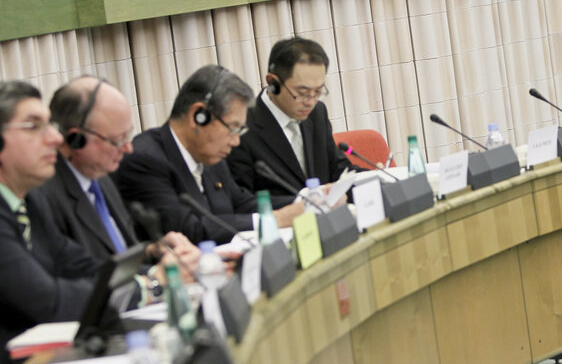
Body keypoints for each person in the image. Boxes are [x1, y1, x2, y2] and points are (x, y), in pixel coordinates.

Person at [115, 65, 304, 245]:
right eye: (232, 128)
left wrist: (306, 199)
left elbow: (242, 203)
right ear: (198, 116)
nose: (236, 141)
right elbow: (189, 230)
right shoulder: (145, 160)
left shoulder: (209, 154)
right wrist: (272, 221)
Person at [0, 80, 102, 364]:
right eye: (34, 126)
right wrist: (137, 288)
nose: (56, 138)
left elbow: (82, 266)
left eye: (51, 125)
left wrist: (146, 279)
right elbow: (48, 303)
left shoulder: (31, 200)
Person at [42, 76, 192, 262]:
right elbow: (84, 276)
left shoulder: (101, 177)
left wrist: (153, 250)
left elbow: (120, 254)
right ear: (76, 140)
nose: (128, 148)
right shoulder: (45, 198)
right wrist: (153, 279)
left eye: (127, 135)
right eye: (117, 140)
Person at [226, 37, 356, 209]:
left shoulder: (317, 113)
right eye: (302, 92)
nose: (310, 101)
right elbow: (240, 201)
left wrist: (380, 181)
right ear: (273, 82)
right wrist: (302, 205)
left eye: (318, 91)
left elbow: (338, 168)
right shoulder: (241, 127)